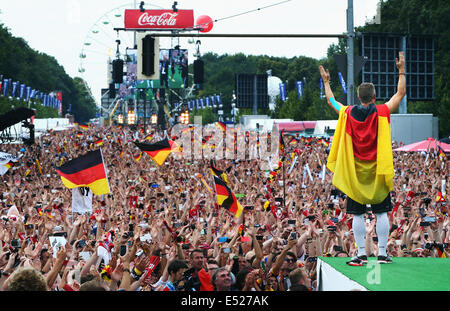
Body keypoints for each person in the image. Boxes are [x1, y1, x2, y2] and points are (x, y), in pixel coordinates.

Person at [319, 51, 406, 266]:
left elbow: (332, 101)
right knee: (382, 211)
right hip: (377, 171)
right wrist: (401, 69)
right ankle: (383, 253)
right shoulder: (383, 111)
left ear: (359, 97)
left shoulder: (347, 113)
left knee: (357, 215)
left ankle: (359, 254)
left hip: (355, 174)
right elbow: (400, 93)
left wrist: (327, 82)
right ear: (374, 97)